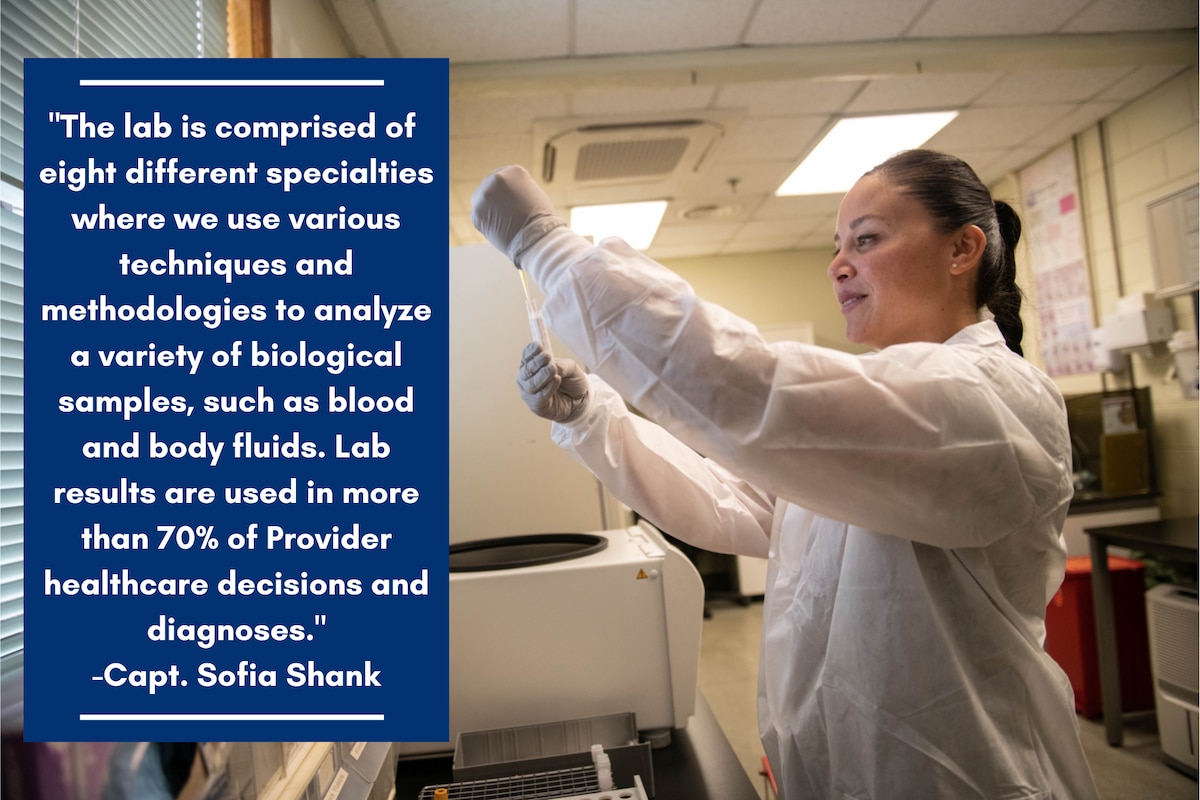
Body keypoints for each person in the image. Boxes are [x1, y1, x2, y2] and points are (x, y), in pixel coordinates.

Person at [470, 150, 1100, 799]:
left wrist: (549, 249)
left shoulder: (988, 399)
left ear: (962, 249)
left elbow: (753, 390)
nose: (839, 264)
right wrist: (595, 419)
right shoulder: (895, 413)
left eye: (867, 238)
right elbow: (732, 502)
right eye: (837, 245)